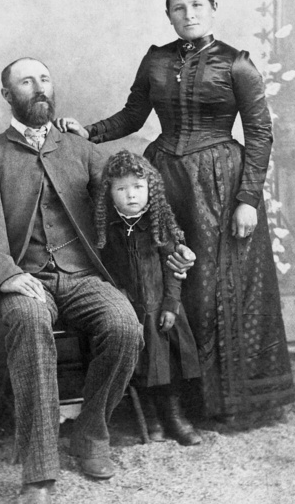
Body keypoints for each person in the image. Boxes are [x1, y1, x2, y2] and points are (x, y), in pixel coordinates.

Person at [58, 0, 295, 424]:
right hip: (165, 178)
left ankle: (222, 402)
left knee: (217, 284)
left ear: (213, 8)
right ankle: (173, 402)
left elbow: (260, 134)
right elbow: (133, 113)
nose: (188, 13)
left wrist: (248, 198)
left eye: (197, 5)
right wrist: (89, 131)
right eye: (178, 8)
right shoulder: (156, 59)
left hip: (222, 184)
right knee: (168, 280)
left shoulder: (236, 63)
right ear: (168, 15)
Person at [0, 57, 190, 504]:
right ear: (8, 96)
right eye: (26, 82)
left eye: (45, 79)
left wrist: (170, 244)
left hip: (84, 275)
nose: (39, 87)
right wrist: (7, 275)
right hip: (26, 278)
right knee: (29, 321)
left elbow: (132, 200)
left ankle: (90, 432)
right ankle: (40, 471)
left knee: (125, 325)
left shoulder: (79, 149)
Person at [95, 149, 201, 445]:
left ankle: (175, 418)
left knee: (167, 368)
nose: (131, 195)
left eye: (138, 187)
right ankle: (151, 418)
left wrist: (171, 305)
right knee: (139, 367)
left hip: (160, 310)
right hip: (130, 311)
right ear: (110, 192)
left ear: (150, 188)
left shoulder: (157, 224)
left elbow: (173, 270)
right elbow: (106, 272)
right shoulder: (108, 230)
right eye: (122, 188)